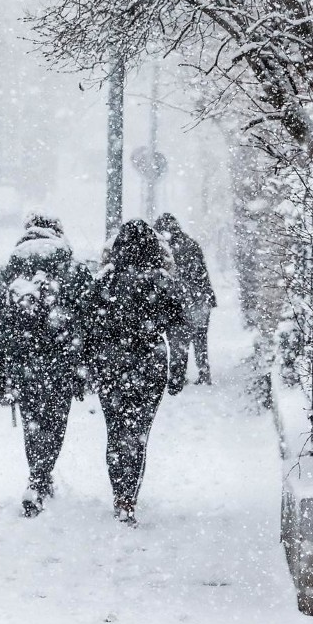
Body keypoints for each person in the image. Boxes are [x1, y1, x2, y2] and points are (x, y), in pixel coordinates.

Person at [0, 213, 92, 517]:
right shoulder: (72, 269)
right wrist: (85, 366)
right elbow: (87, 320)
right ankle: (40, 477)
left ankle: (38, 476)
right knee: (56, 423)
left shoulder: (9, 270)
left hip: (23, 360)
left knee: (33, 423)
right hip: (61, 360)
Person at [81, 219, 184, 527]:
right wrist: (178, 368)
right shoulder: (162, 282)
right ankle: (130, 497)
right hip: (149, 364)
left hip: (109, 364)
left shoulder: (105, 281)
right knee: (138, 434)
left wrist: (86, 365)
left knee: (115, 431)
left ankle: (119, 496)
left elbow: (88, 327)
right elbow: (178, 329)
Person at [154, 212, 217, 386]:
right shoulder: (190, 244)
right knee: (199, 338)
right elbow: (201, 273)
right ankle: (204, 372)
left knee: (178, 339)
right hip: (201, 298)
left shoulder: (166, 251)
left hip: (183, 300)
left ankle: (178, 376)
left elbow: (172, 278)